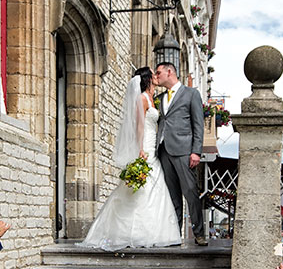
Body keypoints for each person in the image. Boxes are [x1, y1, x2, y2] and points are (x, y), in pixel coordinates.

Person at [82, 67, 182, 248]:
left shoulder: (153, 99)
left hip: (154, 146)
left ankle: (154, 232)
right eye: (153, 74)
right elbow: (139, 126)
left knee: (154, 187)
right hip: (145, 146)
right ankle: (132, 232)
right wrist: (140, 149)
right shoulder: (142, 98)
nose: (156, 77)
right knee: (142, 187)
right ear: (147, 79)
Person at [154, 61, 207, 245]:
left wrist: (196, 152)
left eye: (159, 73)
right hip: (164, 151)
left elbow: (198, 125)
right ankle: (174, 234)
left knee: (190, 192)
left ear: (170, 72)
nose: (156, 76)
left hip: (184, 150)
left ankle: (199, 233)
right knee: (172, 195)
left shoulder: (191, 94)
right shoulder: (160, 98)